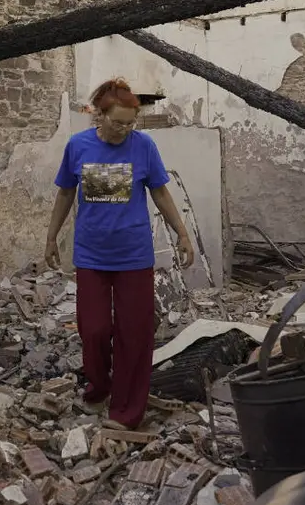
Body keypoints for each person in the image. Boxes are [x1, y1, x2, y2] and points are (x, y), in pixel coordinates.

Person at [45, 78, 195, 431]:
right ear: (99, 115)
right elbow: (65, 194)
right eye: (118, 122)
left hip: (133, 255)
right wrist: (51, 238)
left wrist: (183, 233)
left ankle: (126, 412)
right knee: (94, 330)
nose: (125, 130)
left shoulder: (143, 147)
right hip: (92, 254)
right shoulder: (77, 146)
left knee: (135, 334)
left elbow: (160, 193)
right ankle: (100, 388)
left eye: (131, 123)